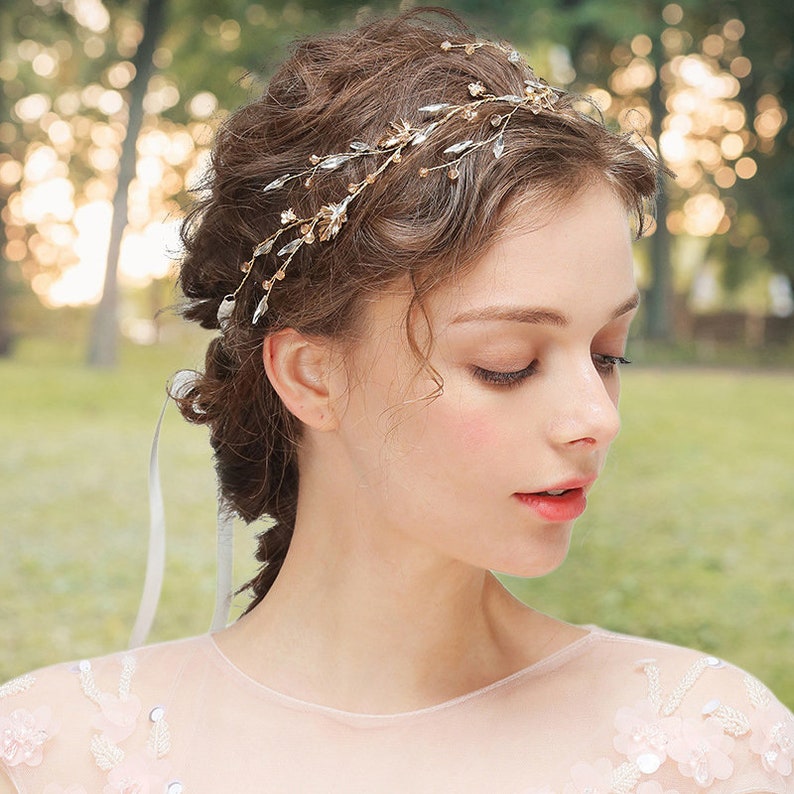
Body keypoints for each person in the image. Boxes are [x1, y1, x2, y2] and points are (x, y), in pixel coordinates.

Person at [1, 8, 791, 793]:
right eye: (508, 364)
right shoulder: (53, 756)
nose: (597, 419)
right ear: (313, 376)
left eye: (607, 355)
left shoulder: (710, 747)